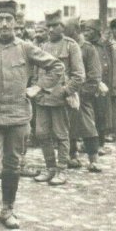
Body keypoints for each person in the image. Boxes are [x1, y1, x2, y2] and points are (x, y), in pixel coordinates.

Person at [0, 0, 63, 231]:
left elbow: (56, 67)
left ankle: (8, 210)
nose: (4, 24)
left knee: (12, 165)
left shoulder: (26, 48)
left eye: (9, 19)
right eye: (0, 20)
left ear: (16, 23)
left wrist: (38, 88)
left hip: (18, 117)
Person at [32, 9, 84, 186]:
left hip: (60, 99)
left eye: (56, 25)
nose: (51, 29)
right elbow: (35, 72)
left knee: (61, 135)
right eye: (49, 26)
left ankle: (62, 169)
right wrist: (35, 88)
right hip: (42, 99)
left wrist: (65, 91)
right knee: (41, 133)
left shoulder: (71, 46)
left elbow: (79, 76)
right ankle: (50, 167)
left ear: (63, 27)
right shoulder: (42, 47)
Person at [67, 18, 104, 172]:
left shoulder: (88, 48)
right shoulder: (66, 45)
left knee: (88, 126)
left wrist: (82, 92)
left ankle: (93, 159)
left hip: (82, 94)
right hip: (68, 93)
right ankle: (72, 156)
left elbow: (95, 75)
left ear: (76, 31)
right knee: (68, 126)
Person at [82, 19, 116, 151]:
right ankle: (87, 144)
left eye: (89, 30)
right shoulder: (83, 46)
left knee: (101, 115)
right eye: (85, 30)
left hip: (102, 86)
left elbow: (112, 65)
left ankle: (100, 144)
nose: (86, 33)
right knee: (87, 116)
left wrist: (109, 84)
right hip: (87, 84)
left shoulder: (105, 46)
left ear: (96, 32)